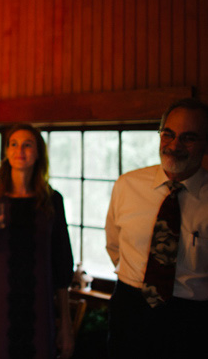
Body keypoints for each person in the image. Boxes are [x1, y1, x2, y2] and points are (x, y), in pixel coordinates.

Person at [105, 98, 208, 358]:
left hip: (191, 319)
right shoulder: (127, 185)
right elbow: (114, 246)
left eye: (189, 138)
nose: (174, 146)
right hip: (129, 307)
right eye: (168, 134)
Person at [0, 123, 74, 359]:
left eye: (27, 144)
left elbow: (62, 265)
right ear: (6, 152)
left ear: (38, 153)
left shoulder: (53, 200)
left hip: (39, 305)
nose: (19, 150)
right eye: (13, 144)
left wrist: (65, 323)